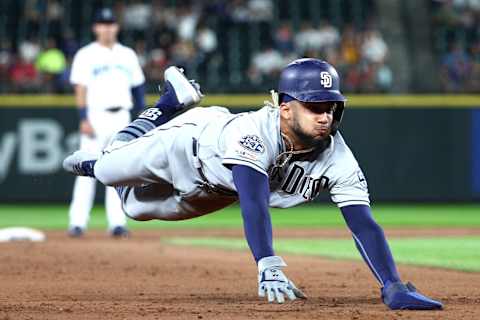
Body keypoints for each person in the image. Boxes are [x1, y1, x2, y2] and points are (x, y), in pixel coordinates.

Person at [63, 59, 443, 310]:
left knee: (135, 209)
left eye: (330, 106)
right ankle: (170, 104)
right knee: (110, 169)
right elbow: (255, 201)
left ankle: (116, 155)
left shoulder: (337, 156)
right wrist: (267, 262)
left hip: (215, 188)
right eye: (314, 106)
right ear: (285, 107)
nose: (325, 116)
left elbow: (362, 223)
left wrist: (392, 285)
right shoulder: (254, 132)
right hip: (186, 144)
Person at [67, 8, 145, 238]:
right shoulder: (86, 54)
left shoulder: (127, 54)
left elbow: (138, 87)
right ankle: (77, 222)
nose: (107, 28)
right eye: (103, 23)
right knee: (85, 170)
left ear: (116, 27)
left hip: (122, 116)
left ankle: (117, 223)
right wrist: (83, 118)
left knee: (118, 173)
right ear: (96, 28)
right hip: (95, 116)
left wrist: (139, 117)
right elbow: (80, 88)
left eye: (110, 23)